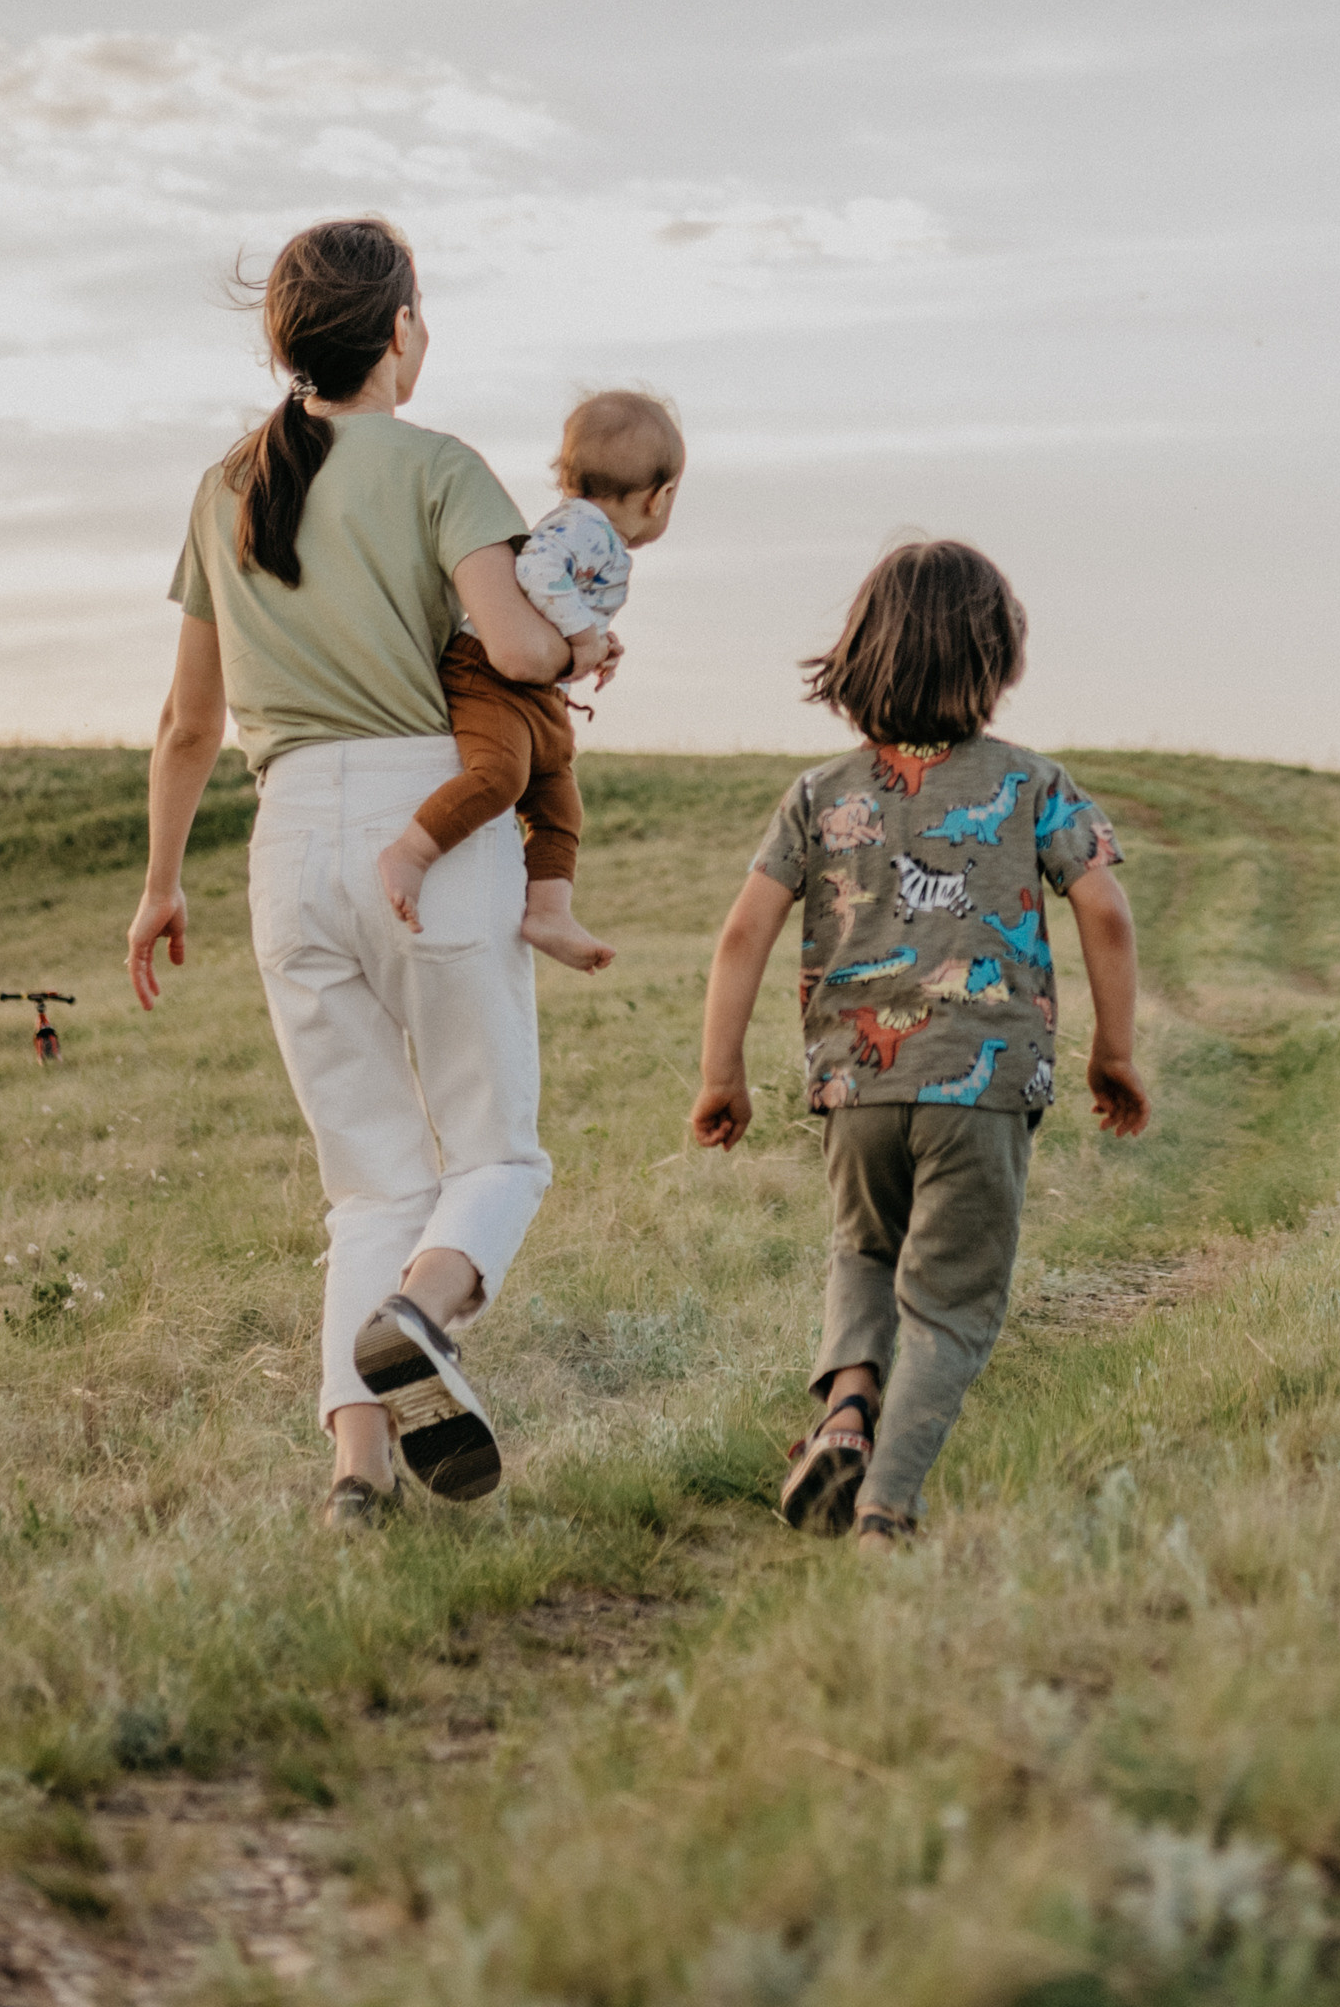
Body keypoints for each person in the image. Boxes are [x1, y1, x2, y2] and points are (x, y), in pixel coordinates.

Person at [130, 216, 587, 1527]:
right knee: (496, 1152)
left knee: (371, 1178)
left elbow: (187, 726)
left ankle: (356, 1477)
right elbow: (509, 648)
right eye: (421, 312)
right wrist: (577, 652)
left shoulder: (224, 489)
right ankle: (421, 1317)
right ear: (398, 333)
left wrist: (163, 883)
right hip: (427, 822)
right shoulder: (441, 467)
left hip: (287, 842)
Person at [690, 538, 1147, 1547]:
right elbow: (1106, 915)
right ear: (999, 660)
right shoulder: (1033, 785)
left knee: (863, 1249)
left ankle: (846, 1409)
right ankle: (885, 1506)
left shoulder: (818, 793)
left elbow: (741, 933)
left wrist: (722, 1074)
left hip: (856, 1086)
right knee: (949, 1305)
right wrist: (1111, 1053)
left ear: (861, 655)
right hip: (980, 1089)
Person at [376, 389, 687, 978]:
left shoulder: (591, 531)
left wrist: (596, 641)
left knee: (558, 800)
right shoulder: (584, 528)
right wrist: (581, 636)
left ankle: (547, 912)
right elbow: (536, 570)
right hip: (484, 671)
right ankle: (410, 854)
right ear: (660, 496)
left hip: (532, 687)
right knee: (500, 776)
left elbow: (563, 601)